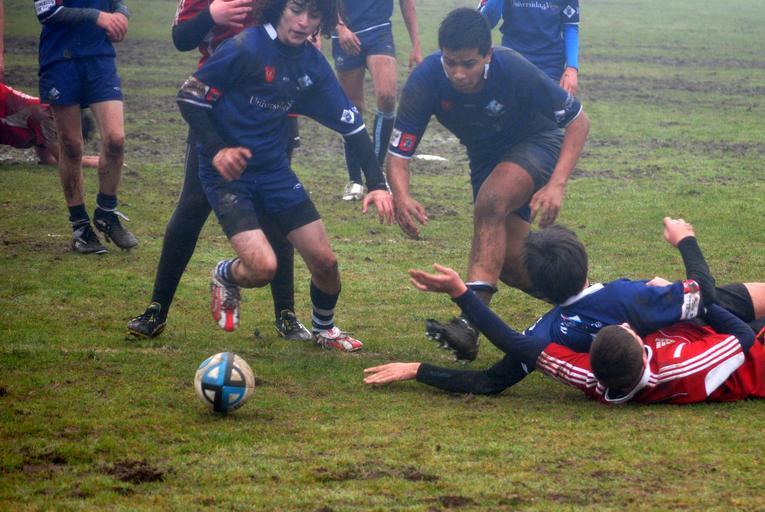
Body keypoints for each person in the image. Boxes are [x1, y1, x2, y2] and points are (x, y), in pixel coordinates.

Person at [176, 0, 394, 351]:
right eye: (296, 10)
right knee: (263, 268)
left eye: (314, 15)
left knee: (326, 263)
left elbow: (352, 126)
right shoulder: (245, 47)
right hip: (228, 176)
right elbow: (189, 97)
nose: (304, 22)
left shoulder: (312, 63)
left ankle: (324, 330)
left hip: (274, 171)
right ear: (278, 7)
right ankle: (226, 273)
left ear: (324, 20)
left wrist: (378, 184)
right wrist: (218, 149)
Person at [387, 7, 589, 359]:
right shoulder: (425, 80)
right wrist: (400, 195)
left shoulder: (512, 67)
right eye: (450, 62)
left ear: (488, 55)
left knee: (491, 201)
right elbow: (398, 154)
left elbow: (578, 121)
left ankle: (469, 325)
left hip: (538, 143)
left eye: (468, 64)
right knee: (511, 264)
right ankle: (590, 306)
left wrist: (557, 184)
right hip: (485, 160)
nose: (458, 73)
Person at [364, 218, 765, 394]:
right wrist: (684, 240)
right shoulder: (630, 297)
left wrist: (419, 370)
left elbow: (489, 381)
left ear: (537, 287)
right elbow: (705, 294)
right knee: (727, 298)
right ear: (584, 262)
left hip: (680, 345)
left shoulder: (547, 333)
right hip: (697, 336)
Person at [127, 0, 313, 342]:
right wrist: (212, 15)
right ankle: (156, 309)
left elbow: (307, 20)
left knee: (275, 210)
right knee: (193, 205)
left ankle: (286, 313)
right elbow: (182, 38)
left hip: (274, 109)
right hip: (216, 110)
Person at [35, 0, 138, 254]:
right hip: (60, 59)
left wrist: (120, 17)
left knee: (115, 139)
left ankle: (106, 212)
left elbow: (118, 4)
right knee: (71, 146)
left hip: (100, 59)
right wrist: (97, 17)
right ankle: (80, 227)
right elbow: (46, 11)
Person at [333, 0, 421, 201]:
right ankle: (355, 180)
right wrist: (340, 26)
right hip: (347, 34)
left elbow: (407, 3)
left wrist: (416, 44)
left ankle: (376, 173)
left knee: (387, 96)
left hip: (379, 31)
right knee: (353, 108)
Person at [478, 0, 580, 93]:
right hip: (511, 65)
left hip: (550, 68)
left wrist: (572, 67)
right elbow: (485, 23)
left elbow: (570, 26)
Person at [1, 83, 99, 167]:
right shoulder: (47, 119)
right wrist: (101, 162)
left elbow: (48, 160)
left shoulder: (50, 118)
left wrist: (97, 158)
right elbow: (67, 161)